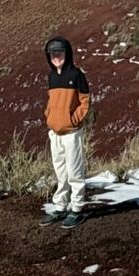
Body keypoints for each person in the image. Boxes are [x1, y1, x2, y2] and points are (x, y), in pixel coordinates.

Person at [40, 36, 91, 228]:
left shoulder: (77, 75)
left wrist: (73, 120)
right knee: (60, 172)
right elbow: (51, 102)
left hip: (71, 133)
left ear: (67, 54)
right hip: (55, 133)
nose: (56, 57)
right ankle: (60, 207)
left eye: (59, 53)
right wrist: (49, 117)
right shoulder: (51, 77)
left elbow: (85, 102)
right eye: (52, 54)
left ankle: (76, 209)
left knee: (74, 171)